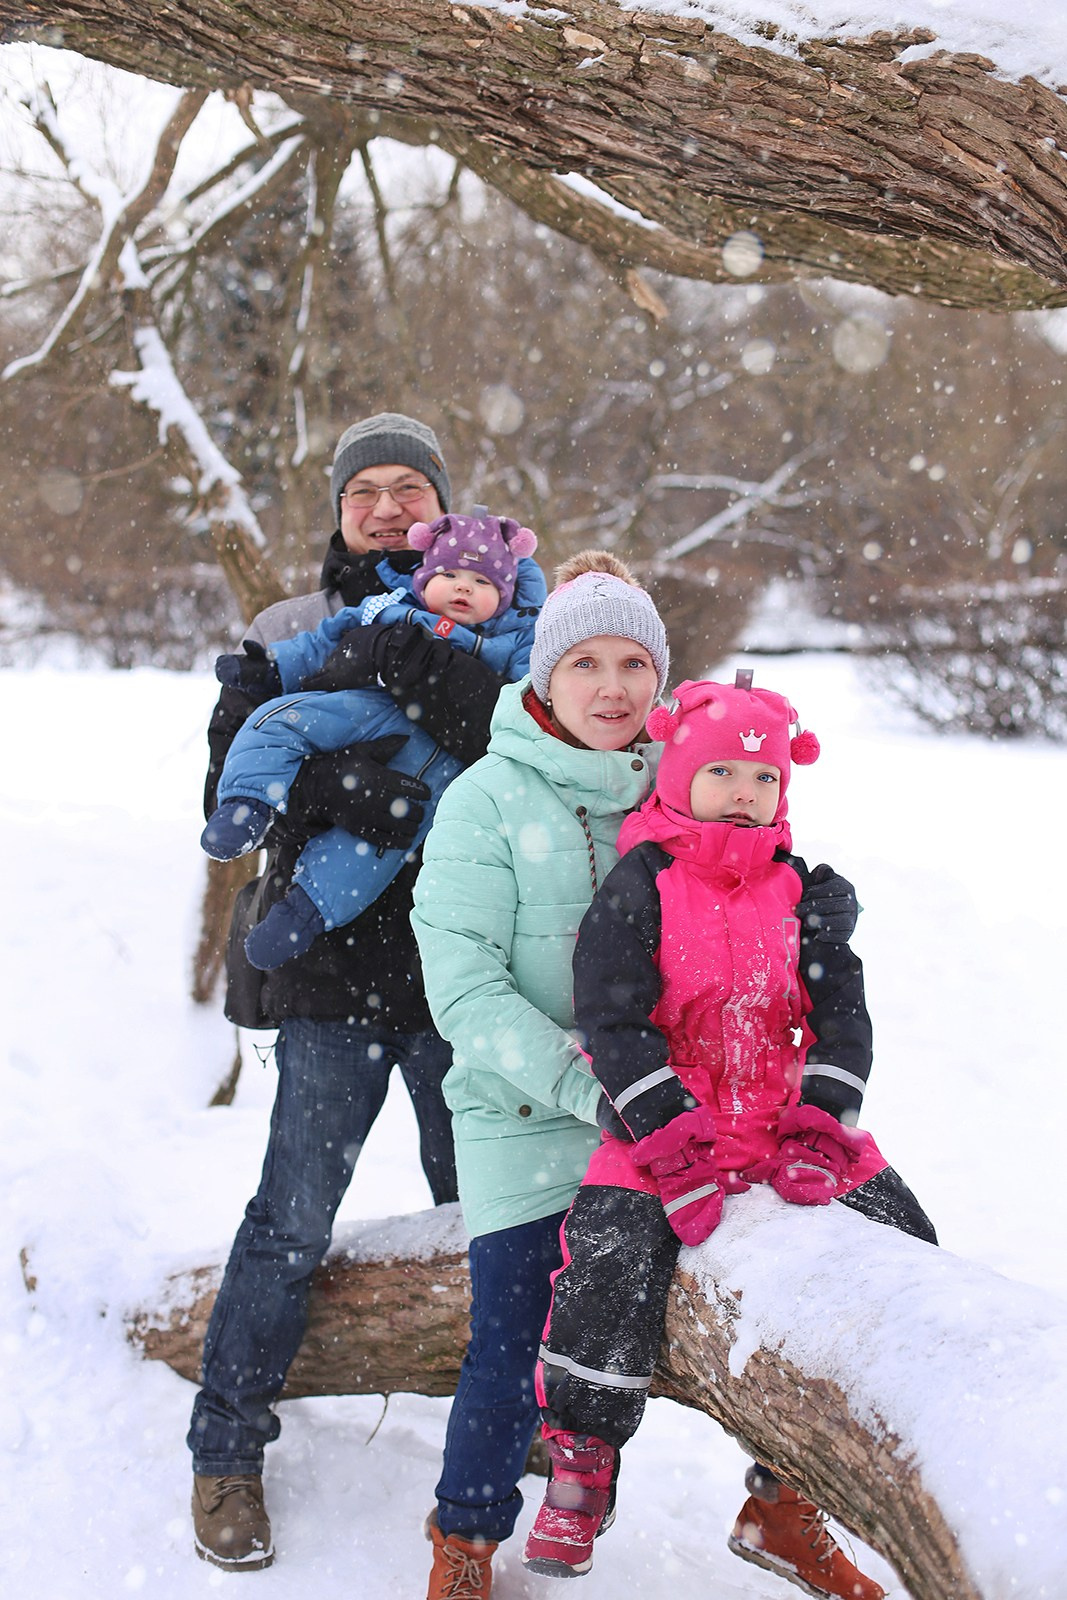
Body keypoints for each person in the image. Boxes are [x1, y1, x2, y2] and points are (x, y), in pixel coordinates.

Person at [409, 558, 859, 1600]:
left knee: (795, 1293)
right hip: (534, 1116)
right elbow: (464, 990)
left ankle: (782, 1501)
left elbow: (758, 915)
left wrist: (812, 926)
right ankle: (465, 1539)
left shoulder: (693, 778)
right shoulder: (484, 801)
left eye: (632, 664)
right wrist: (594, 1090)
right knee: (516, 1335)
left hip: (687, 1114)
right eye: (584, 663)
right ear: (543, 676)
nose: (610, 687)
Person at [188, 414, 528, 1572]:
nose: (386, 508)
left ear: (445, 504)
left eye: (408, 489)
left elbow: (521, 749)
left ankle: (499, 1438)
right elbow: (231, 775)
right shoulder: (292, 625)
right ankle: (225, 1448)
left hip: (464, 973)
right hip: (331, 974)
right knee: (290, 1220)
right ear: (337, 509)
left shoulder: (505, 619)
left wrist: (419, 666)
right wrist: (348, 791)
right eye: (363, 490)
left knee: (485, 1213)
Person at [523, 674, 938, 1600]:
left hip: (781, 1125)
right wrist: (669, 1138)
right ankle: (582, 1458)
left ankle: (786, 1499)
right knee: (608, 1262)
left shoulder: (803, 889)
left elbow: (842, 1017)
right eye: (721, 772)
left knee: (904, 1242)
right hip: (665, 1124)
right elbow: (614, 1020)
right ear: (677, 774)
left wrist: (821, 1125)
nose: (744, 792)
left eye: (763, 777)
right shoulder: (642, 884)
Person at [199, 513, 541, 970]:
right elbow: (322, 640)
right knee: (278, 721)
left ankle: (305, 912)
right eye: (449, 575)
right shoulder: (389, 606)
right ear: (424, 577)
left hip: (432, 761)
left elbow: (527, 712)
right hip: (361, 709)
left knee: (378, 844)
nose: (463, 587)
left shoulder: (514, 638)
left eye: (481, 581)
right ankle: (247, 805)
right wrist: (271, 671)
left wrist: (462, 685)